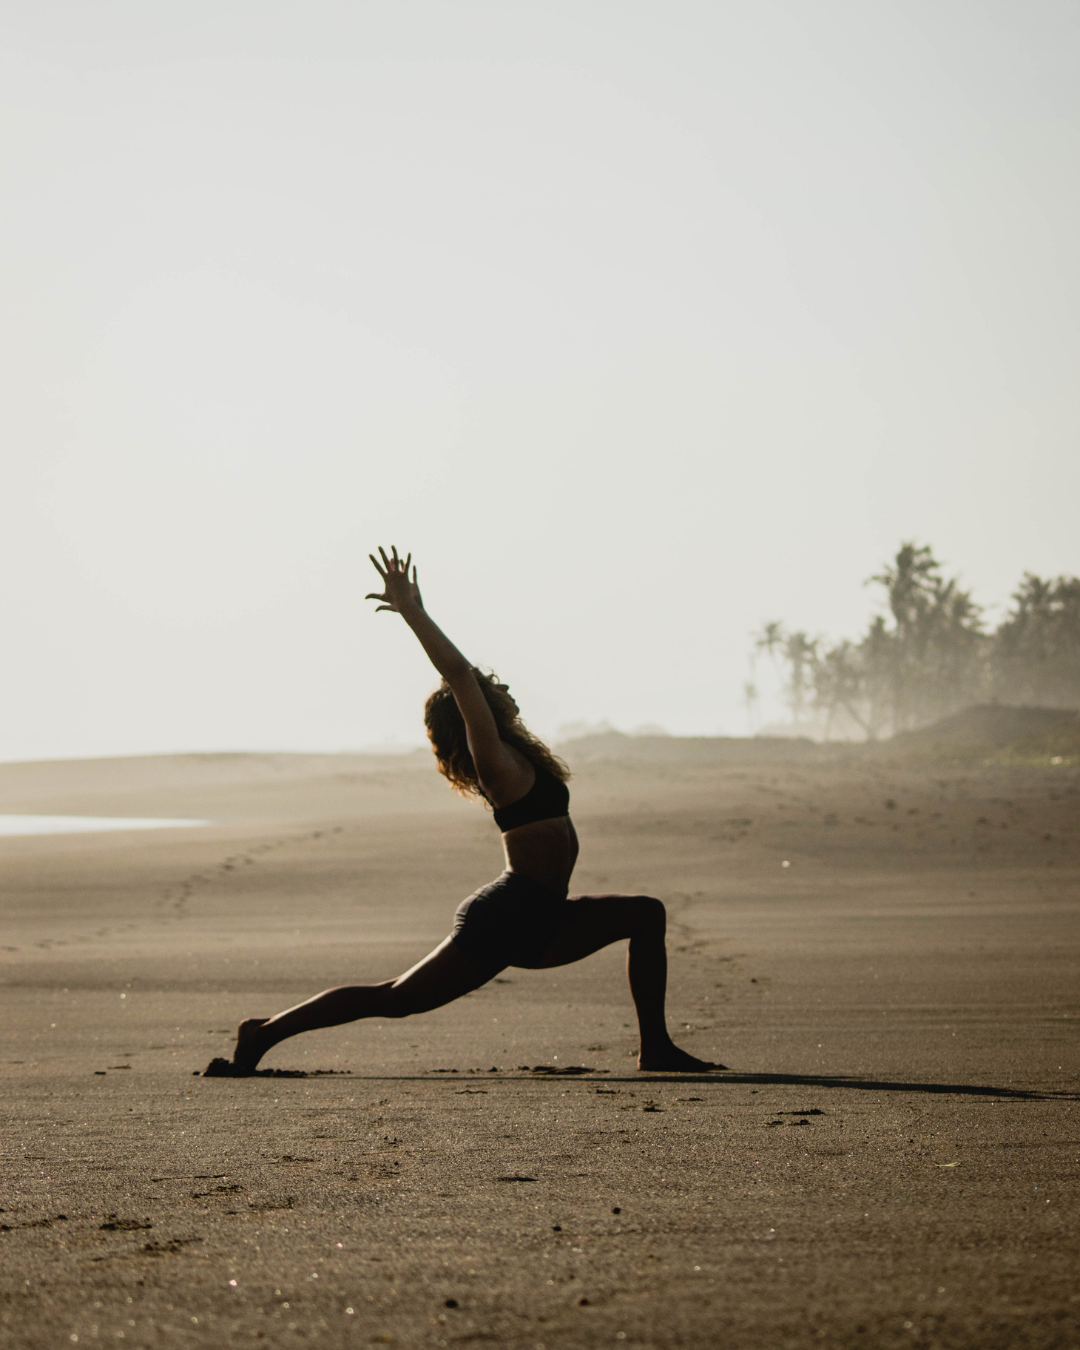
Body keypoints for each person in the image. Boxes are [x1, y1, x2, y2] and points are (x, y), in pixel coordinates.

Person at [204, 547, 723, 1076]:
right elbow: (458, 674)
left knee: (645, 913)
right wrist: (414, 613)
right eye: (492, 687)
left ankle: (655, 1048)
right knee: (397, 998)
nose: (503, 687)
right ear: (475, 709)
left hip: (545, 913)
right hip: (510, 915)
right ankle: (263, 1032)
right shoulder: (493, 760)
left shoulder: (519, 755)